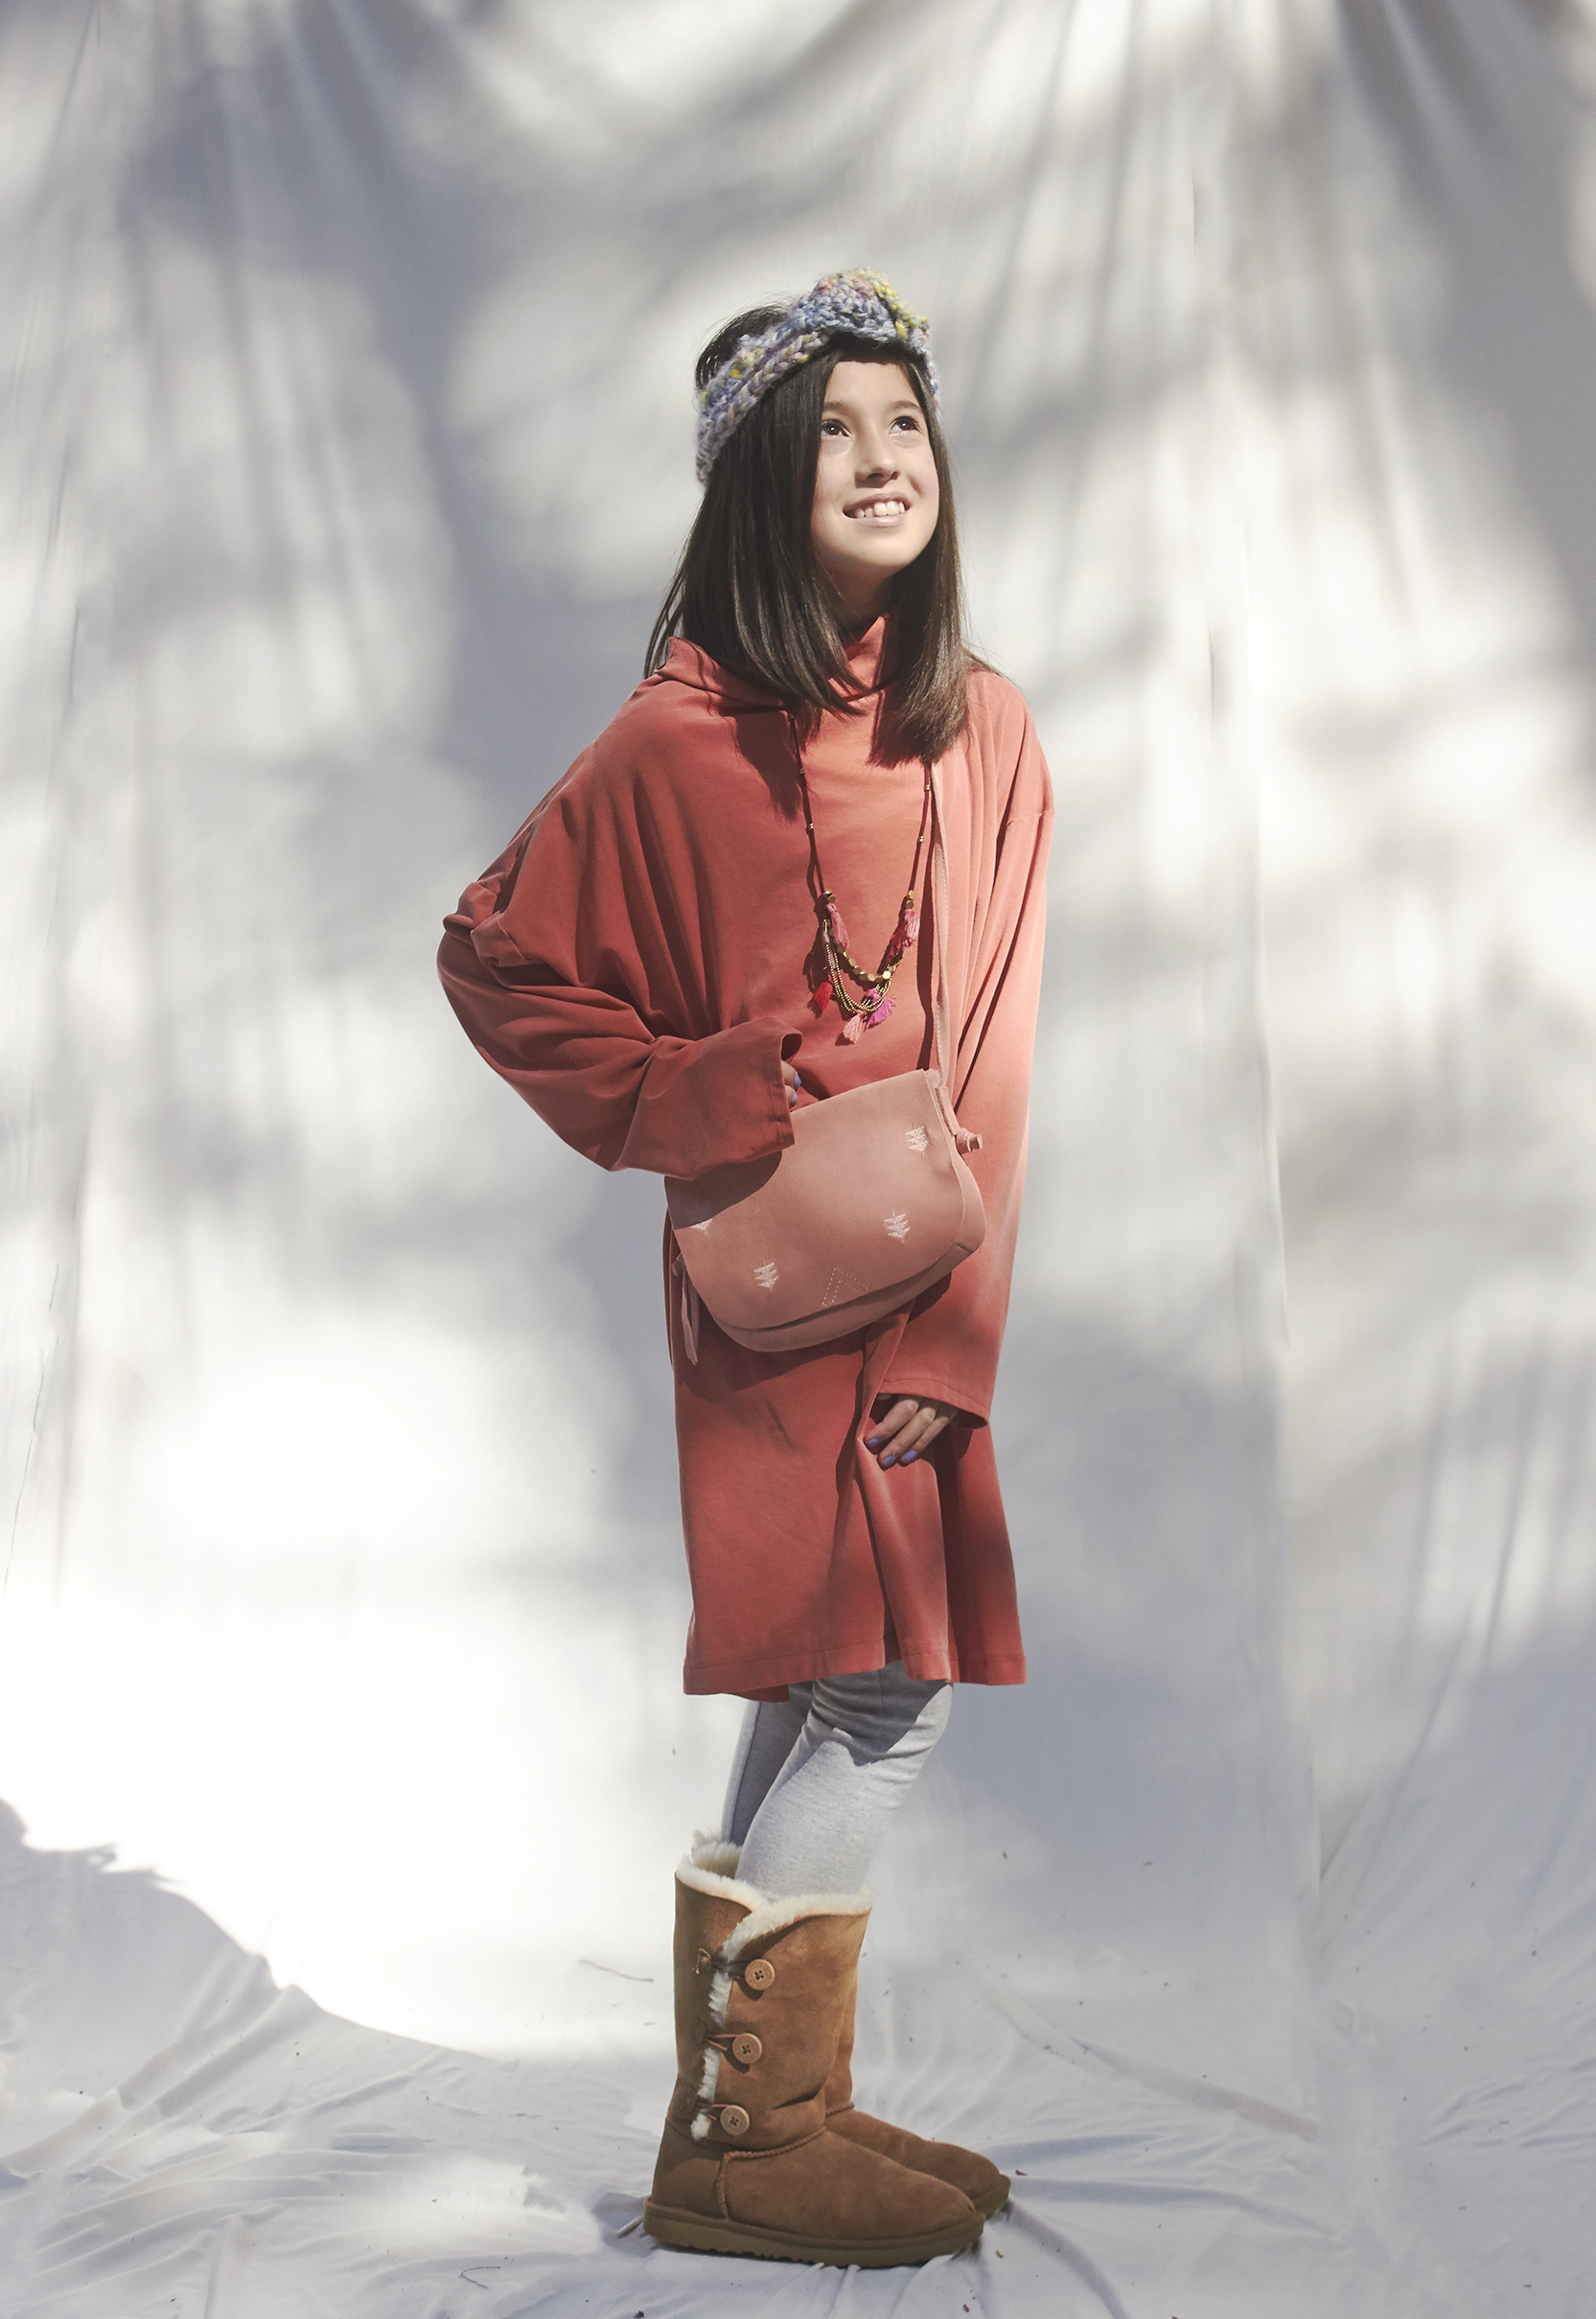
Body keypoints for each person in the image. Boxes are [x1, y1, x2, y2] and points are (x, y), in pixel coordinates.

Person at [438, 271, 1052, 2269]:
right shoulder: (675, 745)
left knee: (847, 1673)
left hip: (928, 1283)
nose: (885, 463)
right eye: (836, 437)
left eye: (908, 426)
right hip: (771, 1296)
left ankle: (762, 2111)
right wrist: (690, 1087)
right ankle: (753, 2137)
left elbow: (999, 1065)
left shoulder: (990, 737)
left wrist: (960, 1333)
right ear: (759, 492)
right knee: (876, 1684)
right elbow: (497, 952)